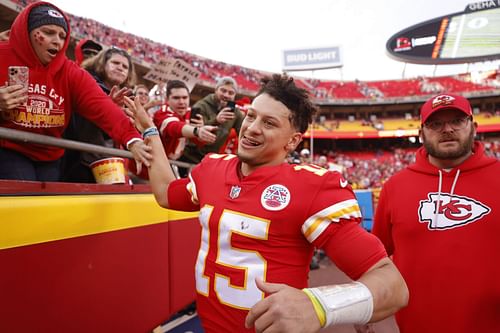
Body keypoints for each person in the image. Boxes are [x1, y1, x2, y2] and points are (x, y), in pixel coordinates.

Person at [125, 74, 408, 333]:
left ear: (293, 141)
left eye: (269, 123)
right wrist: (150, 130)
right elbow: (165, 193)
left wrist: (320, 305)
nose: (252, 129)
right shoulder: (211, 168)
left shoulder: (311, 188)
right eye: (251, 117)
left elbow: (393, 286)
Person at [372, 93, 500, 333]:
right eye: (435, 123)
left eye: (457, 121)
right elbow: (375, 258)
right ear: (421, 133)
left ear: (473, 126)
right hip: (417, 326)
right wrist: (367, 304)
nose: (447, 129)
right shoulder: (395, 186)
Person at [0, 2, 151, 181]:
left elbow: (101, 106)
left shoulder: (70, 72)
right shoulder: (3, 55)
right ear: (27, 32)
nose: (57, 40)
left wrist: (132, 139)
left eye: (62, 36)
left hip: (50, 154)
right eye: (48, 32)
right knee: (23, 198)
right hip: (10, 147)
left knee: (45, 204)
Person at [62, 46, 137, 183]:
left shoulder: (126, 97)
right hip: (83, 164)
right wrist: (108, 109)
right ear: (102, 63)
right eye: (115, 63)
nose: (120, 68)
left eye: (125, 67)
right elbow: (80, 125)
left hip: (112, 164)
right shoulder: (86, 83)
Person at [179, 76, 245, 173]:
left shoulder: (235, 113)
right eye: (223, 90)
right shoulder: (201, 106)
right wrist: (216, 120)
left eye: (231, 93)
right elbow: (194, 131)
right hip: (191, 156)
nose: (226, 95)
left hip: (211, 159)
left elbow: (242, 132)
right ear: (216, 90)